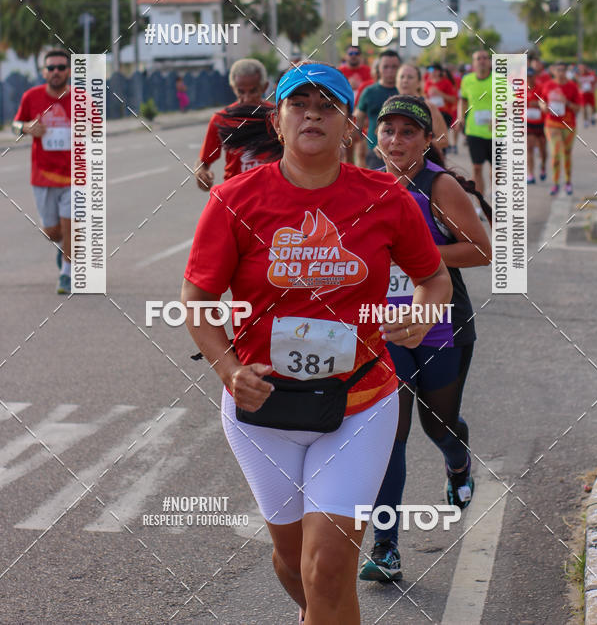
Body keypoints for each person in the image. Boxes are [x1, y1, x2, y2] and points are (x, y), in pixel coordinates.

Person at [182, 64, 452, 624]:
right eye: (298, 103)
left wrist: (424, 313)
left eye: (328, 106)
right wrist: (229, 370)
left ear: (349, 126)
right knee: (293, 563)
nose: (312, 114)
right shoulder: (234, 199)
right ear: (277, 122)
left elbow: (434, 277)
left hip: (360, 402)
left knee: (327, 567)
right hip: (262, 408)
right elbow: (198, 299)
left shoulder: (385, 196)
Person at [359, 94, 492, 583]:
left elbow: (481, 251)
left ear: (427, 140)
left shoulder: (439, 186)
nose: (396, 140)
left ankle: (458, 463)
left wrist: (417, 255)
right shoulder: (366, 186)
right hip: (386, 328)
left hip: (442, 325)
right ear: (376, 138)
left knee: (438, 425)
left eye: (408, 132)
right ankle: (386, 548)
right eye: (388, 130)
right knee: (388, 437)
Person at [12, 48, 72, 293]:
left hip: (74, 176)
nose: (56, 71)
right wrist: (26, 127)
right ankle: (64, 247)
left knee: (70, 223)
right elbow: (15, 125)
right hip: (43, 175)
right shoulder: (31, 97)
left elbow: (97, 127)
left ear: (69, 71)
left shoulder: (81, 99)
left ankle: (66, 273)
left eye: (61, 67)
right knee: (52, 232)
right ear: (44, 72)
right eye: (51, 68)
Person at [195, 58, 272, 190]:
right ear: (233, 88)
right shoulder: (221, 119)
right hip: (235, 193)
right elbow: (204, 161)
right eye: (241, 92)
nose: (247, 98)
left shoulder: (278, 116)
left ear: (264, 87)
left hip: (272, 193)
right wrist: (201, 173)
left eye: (253, 91)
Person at [539, 61, 581, 196]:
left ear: (566, 71)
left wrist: (567, 102)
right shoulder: (548, 85)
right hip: (552, 124)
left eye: (563, 70)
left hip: (568, 125)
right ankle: (555, 183)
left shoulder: (572, 86)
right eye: (558, 70)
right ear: (553, 71)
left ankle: (568, 182)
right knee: (556, 153)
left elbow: (578, 108)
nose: (561, 73)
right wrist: (543, 107)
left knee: (567, 153)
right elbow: (542, 101)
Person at [457, 50, 493, 202]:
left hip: (496, 132)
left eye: (485, 58)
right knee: (477, 168)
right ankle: (480, 203)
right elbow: (463, 100)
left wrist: (499, 118)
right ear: (473, 63)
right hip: (474, 131)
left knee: (497, 171)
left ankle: (495, 194)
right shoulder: (467, 80)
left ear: (489, 62)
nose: (482, 61)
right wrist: (461, 116)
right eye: (478, 58)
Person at [356, 49, 401, 169]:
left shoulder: (405, 92)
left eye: (394, 67)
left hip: (402, 152)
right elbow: (356, 121)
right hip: (375, 153)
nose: (390, 71)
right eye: (385, 67)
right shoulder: (369, 92)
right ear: (378, 68)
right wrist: (361, 142)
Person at [396, 63, 449, 152]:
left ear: (419, 83)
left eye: (410, 77)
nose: (405, 80)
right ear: (396, 82)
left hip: (424, 159)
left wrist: (419, 146)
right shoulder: (391, 106)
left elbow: (444, 140)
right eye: (401, 77)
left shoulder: (428, 107)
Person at [526, 67, 547, 184]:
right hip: (527, 122)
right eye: (527, 77)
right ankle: (530, 174)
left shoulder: (541, 87)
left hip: (541, 123)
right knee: (529, 148)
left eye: (531, 76)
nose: (529, 79)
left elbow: (546, 102)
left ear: (535, 76)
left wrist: (538, 104)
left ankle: (543, 166)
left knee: (542, 149)